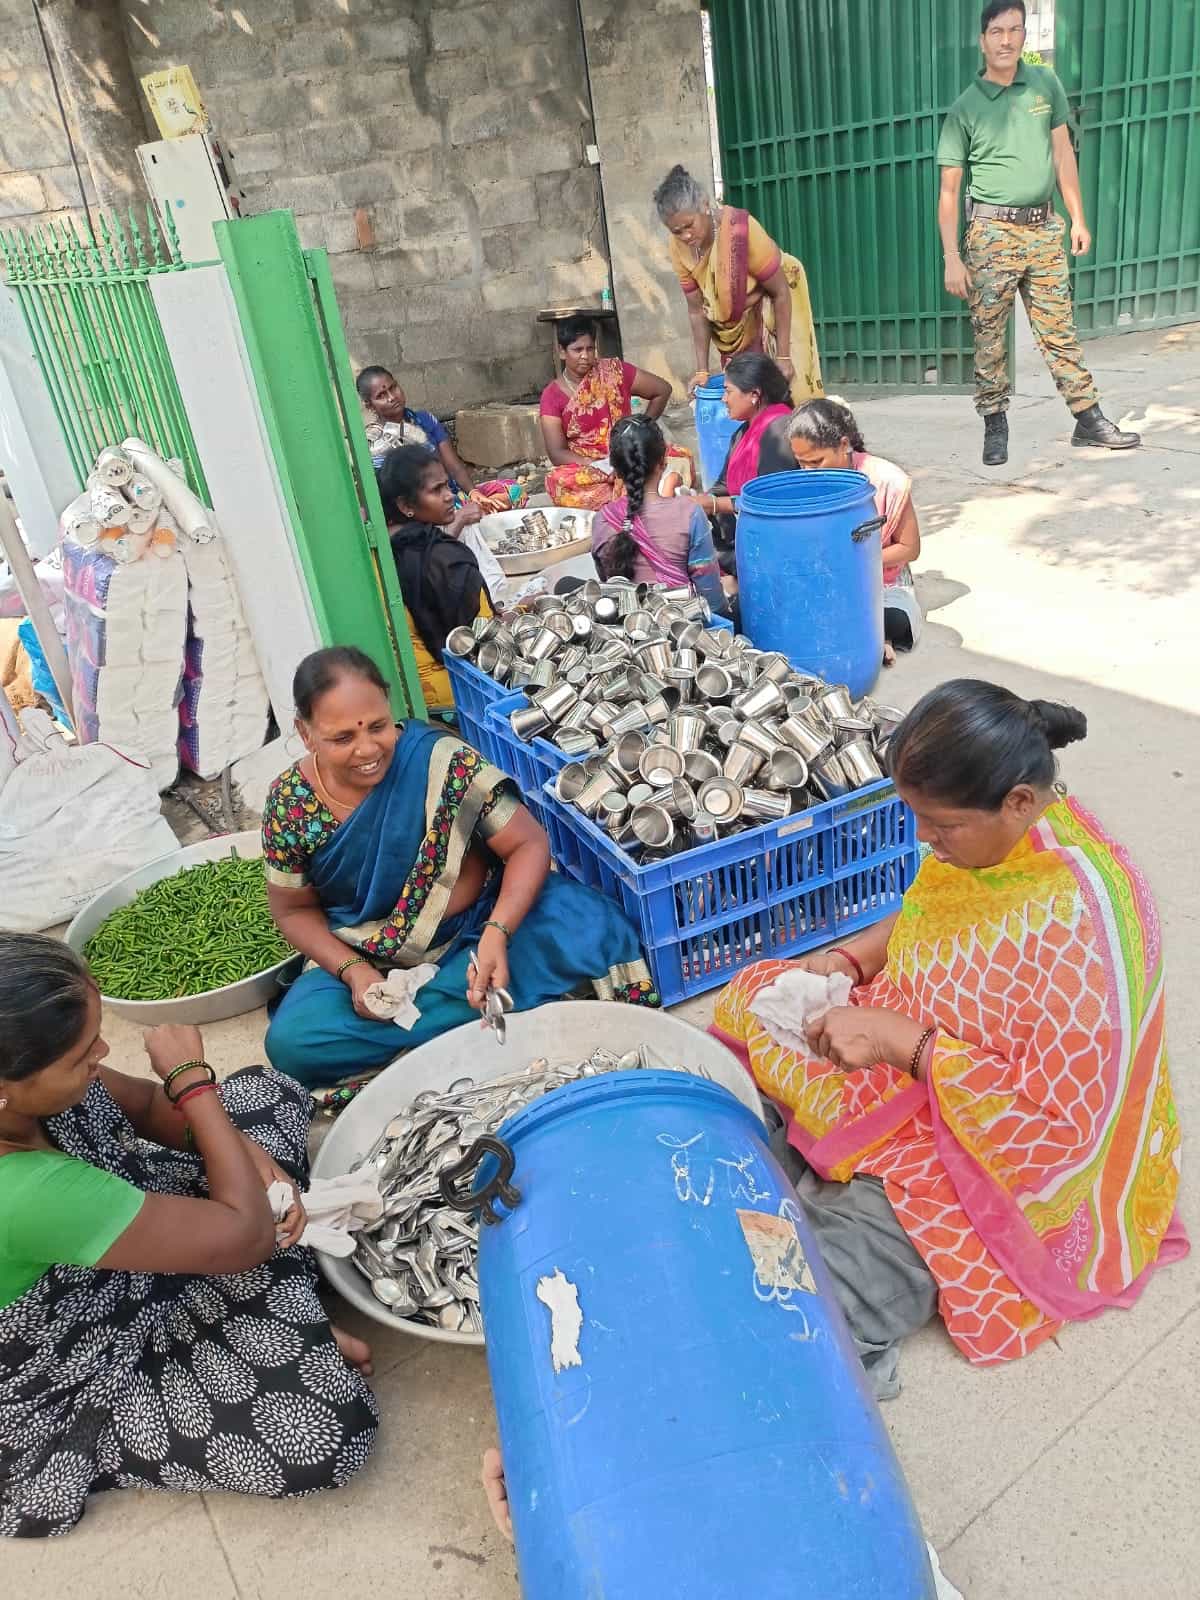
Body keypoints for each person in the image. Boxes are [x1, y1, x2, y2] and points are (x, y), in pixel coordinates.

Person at [712, 681, 1185, 1396]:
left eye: (940, 825)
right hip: (919, 1043)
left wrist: (905, 1045)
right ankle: (819, 1168)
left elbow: (1060, 1131)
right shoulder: (989, 844)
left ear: (1020, 802)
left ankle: (847, 1230)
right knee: (760, 996)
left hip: (993, 1139)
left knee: (817, 1289)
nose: (923, 839)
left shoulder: (1087, 926)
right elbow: (926, 916)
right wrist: (853, 960)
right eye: (916, 818)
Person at [0, 933, 378, 1538]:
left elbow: (149, 1105)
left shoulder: (30, 1085)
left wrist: (237, 1147)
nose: (100, 1051)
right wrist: (194, 1083)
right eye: (80, 1055)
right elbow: (243, 1239)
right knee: (325, 1432)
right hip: (73, 1369)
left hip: (120, 1246)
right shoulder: (22, 1195)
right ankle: (280, 1310)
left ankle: (280, 1305)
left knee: (263, 1095)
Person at [262, 647, 660, 1086]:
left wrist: (497, 934)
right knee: (293, 1041)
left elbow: (527, 845)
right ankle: (487, 1011)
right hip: (368, 957)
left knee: (588, 924)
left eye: (377, 726)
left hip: (476, 931)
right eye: (342, 739)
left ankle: (429, 1032)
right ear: (304, 732)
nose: (367, 749)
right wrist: (354, 974)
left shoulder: (440, 761)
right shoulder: (291, 802)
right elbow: (293, 911)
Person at [937, 1, 1140, 465]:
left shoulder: (1045, 84)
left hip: (1045, 228)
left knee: (1059, 330)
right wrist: (952, 255)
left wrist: (1078, 216)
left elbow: (1062, 153)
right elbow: (949, 190)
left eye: (1014, 30)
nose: (1006, 40)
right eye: (996, 32)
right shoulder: (965, 108)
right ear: (982, 39)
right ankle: (994, 423)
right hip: (991, 234)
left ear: (1024, 35)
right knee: (989, 335)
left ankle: (1088, 419)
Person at [653, 164, 823, 404]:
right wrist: (702, 370)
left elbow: (780, 292)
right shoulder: (678, 248)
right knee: (744, 401)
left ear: (704, 205)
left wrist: (784, 356)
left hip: (770, 320)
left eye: (689, 225)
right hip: (734, 335)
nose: (686, 236)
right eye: (676, 231)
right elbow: (696, 309)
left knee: (785, 400)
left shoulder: (741, 231)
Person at [788, 397, 923, 660]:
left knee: (892, 618)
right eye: (801, 463)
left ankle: (873, 635)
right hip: (820, 579)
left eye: (816, 462)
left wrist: (851, 562)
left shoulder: (887, 480)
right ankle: (869, 638)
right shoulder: (802, 482)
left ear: (844, 445)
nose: (808, 472)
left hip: (881, 582)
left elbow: (910, 549)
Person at [378, 443, 493, 712]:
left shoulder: (381, 547)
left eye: (447, 486)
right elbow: (482, 638)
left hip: (404, 695)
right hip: (455, 696)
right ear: (405, 504)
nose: (449, 496)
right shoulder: (447, 559)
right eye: (436, 490)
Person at [591, 416, 727, 617]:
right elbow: (709, 594)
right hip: (680, 627)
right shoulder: (689, 513)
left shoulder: (602, 519)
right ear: (662, 462)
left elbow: (609, 582)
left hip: (626, 628)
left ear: (616, 470)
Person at [539, 316, 672, 509]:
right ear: (562, 351)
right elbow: (556, 452)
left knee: (677, 458)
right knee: (557, 481)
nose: (585, 356)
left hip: (630, 453)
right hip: (592, 468)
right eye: (577, 350)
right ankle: (643, 494)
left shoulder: (613, 372)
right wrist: (597, 464)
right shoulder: (552, 396)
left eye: (590, 348)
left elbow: (662, 390)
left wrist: (638, 433)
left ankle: (626, 495)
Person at [688, 352, 795, 563]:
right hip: (743, 531)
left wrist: (715, 505)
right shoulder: (744, 431)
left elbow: (770, 502)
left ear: (754, 394)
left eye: (728, 391)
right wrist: (698, 500)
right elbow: (724, 484)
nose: (723, 399)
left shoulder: (779, 430)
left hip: (772, 543)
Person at [356, 365, 478, 489]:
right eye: (381, 395)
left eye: (393, 388)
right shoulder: (375, 442)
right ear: (370, 406)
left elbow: (455, 468)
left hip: (451, 494)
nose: (391, 397)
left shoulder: (425, 420)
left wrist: (473, 493)